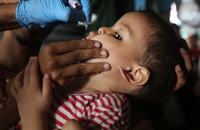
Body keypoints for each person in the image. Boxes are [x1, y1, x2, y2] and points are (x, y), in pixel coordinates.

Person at [11, 10, 191, 130]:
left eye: (118, 35)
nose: (103, 28)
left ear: (133, 74)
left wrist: (32, 113)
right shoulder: (68, 81)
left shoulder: (110, 107)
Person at [0, 0, 111, 129]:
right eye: (27, 0)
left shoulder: (69, 85)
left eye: (50, 5)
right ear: (2, 1)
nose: (41, 14)